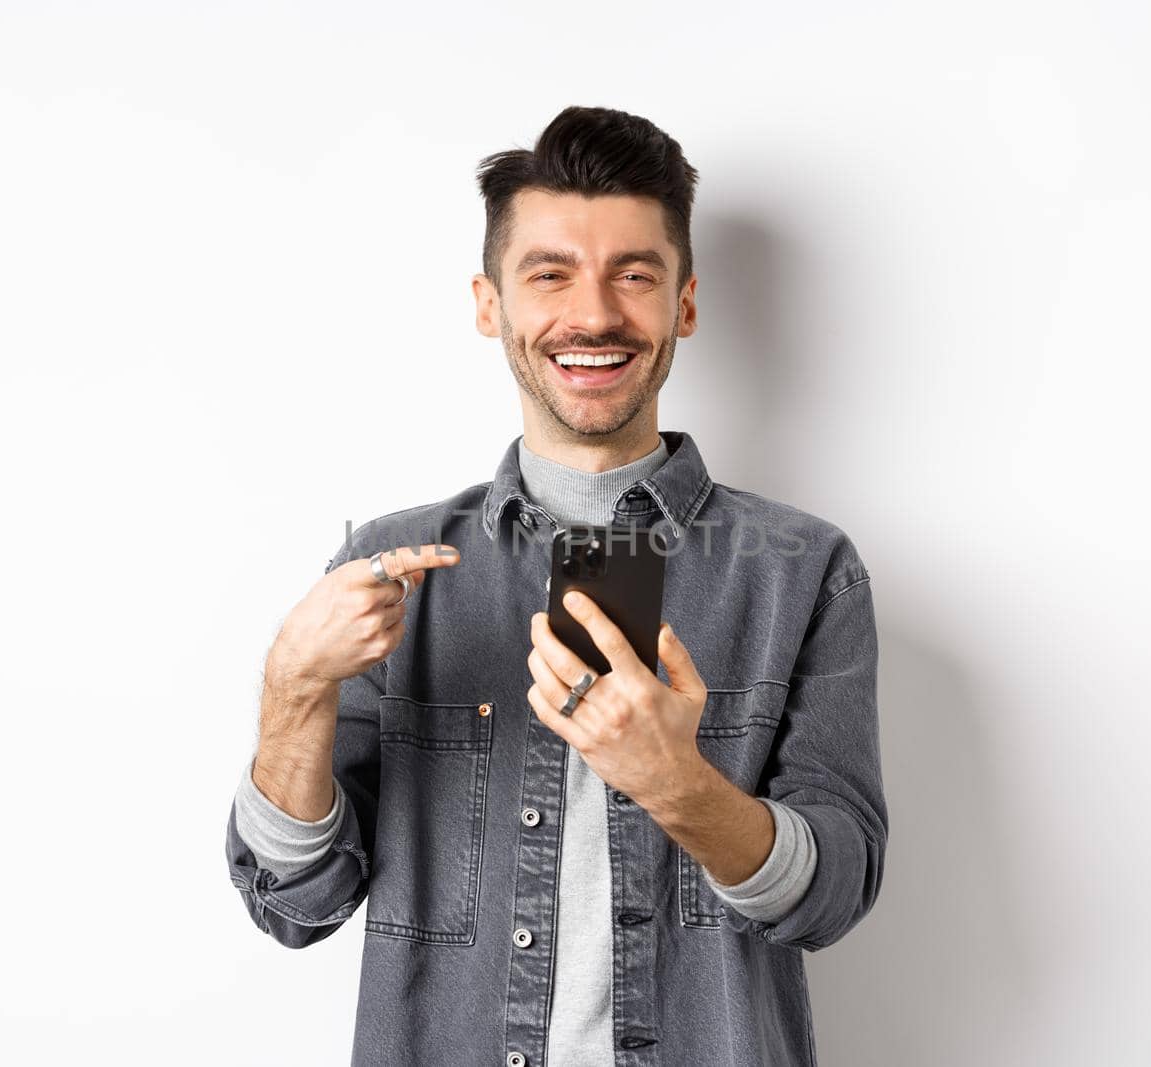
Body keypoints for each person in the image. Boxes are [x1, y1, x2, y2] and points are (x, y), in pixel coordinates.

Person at [224, 105, 887, 1066]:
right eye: (550, 274)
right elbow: (297, 903)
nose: (594, 314)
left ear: (684, 304)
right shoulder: (387, 566)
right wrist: (293, 689)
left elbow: (835, 893)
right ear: (490, 303)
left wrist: (681, 785)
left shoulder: (804, 572)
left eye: (634, 274)